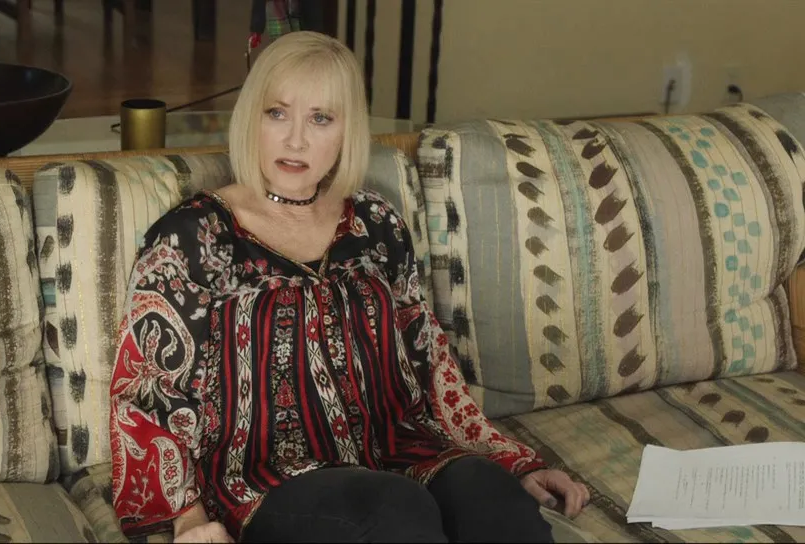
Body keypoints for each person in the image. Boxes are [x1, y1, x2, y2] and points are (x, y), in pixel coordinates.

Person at [108, 31, 589, 544]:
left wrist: (512, 464)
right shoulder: (193, 236)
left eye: (320, 118)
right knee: (393, 511)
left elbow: (430, 364)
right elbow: (145, 392)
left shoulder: (376, 223)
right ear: (251, 118)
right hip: (270, 479)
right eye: (277, 113)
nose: (296, 140)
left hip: (402, 450)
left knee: (491, 497)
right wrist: (186, 516)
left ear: (346, 131)